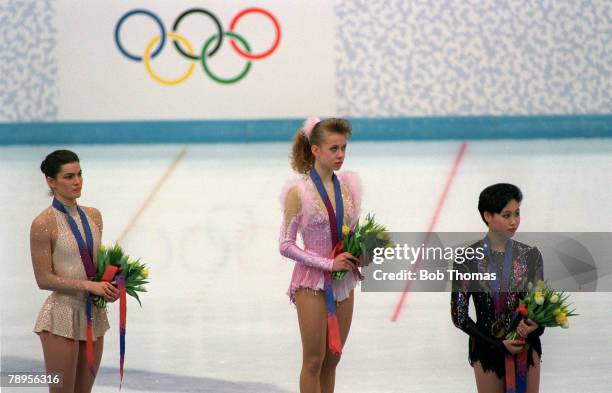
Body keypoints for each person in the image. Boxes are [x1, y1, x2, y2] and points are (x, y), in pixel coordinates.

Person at [279, 117, 363, 393]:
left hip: (343, 281)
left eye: (344, 148)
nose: (340, 155)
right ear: (316, 150)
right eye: (334, 149)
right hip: (312, 282)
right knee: (314, 360)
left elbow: (354, 234)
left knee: (333, 358)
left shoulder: (349, 188)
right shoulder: (299, 192)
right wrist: (327, 262)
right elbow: (285, 244)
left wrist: (362, 253)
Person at [31, 150, 119, 393]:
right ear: (51, 181)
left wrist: (110, 286)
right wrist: (90, 286)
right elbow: (43, 278)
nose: (77, 181)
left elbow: (94, 267)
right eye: (68, 176)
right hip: (61, 317)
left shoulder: (94, 215)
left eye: (79, 174)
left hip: (93, 315)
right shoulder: (43, 223)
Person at [451, 183, 545, 393]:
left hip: (525, 346)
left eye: (517, 213)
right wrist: (496, 344)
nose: (514, 221)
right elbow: (459, 316)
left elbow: (539, 308)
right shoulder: (468, 259)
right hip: (487, 348)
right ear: (487, 216)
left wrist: (535, 328)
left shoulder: (531, 256)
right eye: (506, 215)